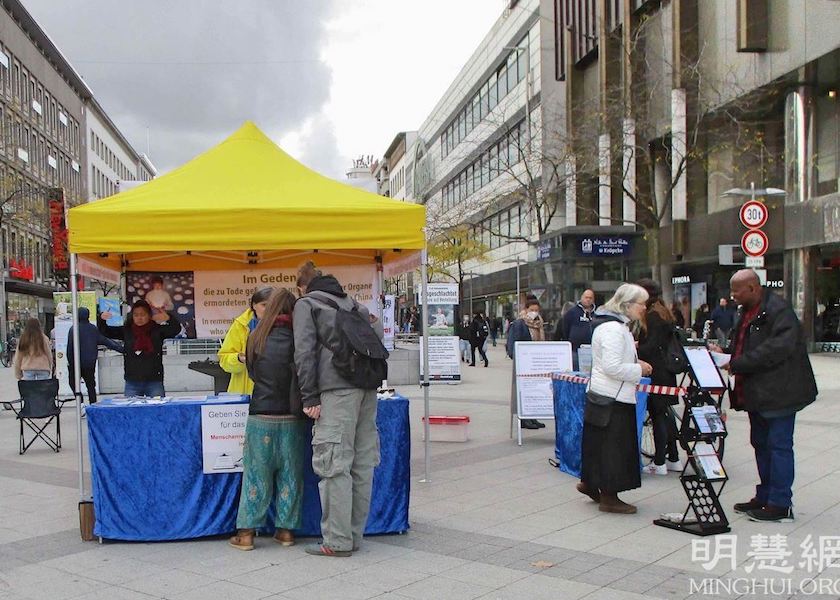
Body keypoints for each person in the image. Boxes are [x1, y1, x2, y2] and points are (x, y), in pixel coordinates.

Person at [709, 270, 817, 523]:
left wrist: (738, 362)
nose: (733, 296)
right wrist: (725, 352)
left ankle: (780, 503)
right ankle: (765, 495)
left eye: (737, 290)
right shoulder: (745, 310)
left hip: (780, 391)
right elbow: (744, 344)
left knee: (778, 446)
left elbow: (778, 348)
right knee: (761, 443)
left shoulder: (778, 310)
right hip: (756, 392)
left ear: (753, 287)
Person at [293, 261, 381, 557]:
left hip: (336, 390)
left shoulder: (307, 305)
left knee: (333, 464)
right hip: (367, 388)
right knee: (362, 464)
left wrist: (309, 397)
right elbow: (377, 332)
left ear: (301, 286)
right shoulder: (353, 304)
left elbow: (303, 353)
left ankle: (337, 541)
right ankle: (353, 536)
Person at [229, 289, 306, 551]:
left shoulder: (256, 336)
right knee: (291, 476)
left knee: (256, 476)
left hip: (261, 413)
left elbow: (252, 373)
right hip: (293, 416)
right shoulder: (301, 338)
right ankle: (286, 532)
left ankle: (247, 534)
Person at [577, 284, 652, 514]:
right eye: (642, 304)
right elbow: (612, 367)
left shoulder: (614, 326)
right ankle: (609, 496)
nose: (644, 309)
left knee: (598, 446)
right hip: (614, 397)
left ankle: (591, 483)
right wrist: (640, 369)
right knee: (614, 449)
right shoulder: (613, 329)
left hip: (606, 395)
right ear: (627, 305)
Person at [635, 279, 681, 476]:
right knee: (666, 415)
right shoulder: (664, 312)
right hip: (667, 372)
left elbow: (652, 346)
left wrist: (636, 347)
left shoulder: (653, 316)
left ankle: (660, 461)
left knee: (657, 416)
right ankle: (674, 458)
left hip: (656, 372)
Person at [99, 299, 181, 397]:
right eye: (136, 315)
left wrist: (168, 317)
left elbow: (175, 329)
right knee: (131, 411)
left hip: (154, 381)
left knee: (156, 410)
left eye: (143, 314)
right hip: (132, 382)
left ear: (149, 315)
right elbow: (106, 332)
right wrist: (102, 319)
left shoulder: (157, 330)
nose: (139, 318)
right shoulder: (127, 331)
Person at [218, 287, 274, 394]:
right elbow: (224, 360)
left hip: (274, 392)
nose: (269, 309)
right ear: (253, 305)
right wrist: (239, 359)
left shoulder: (286, 325)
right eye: (264, 305)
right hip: (244, 394)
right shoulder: (240, 325)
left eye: (272, 305)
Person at [67, 307, 124, 404]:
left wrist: (70, 361)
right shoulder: (93, 329)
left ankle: (80, 402)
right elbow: (106, 341)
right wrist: (123, 349)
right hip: (89, 363)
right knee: (90, 385)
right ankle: (93, 404)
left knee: (73, 384)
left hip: (76, 363)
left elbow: (70, 348)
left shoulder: (73, 329)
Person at [506, 296, 546, 429]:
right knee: (523, 390)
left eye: (536, 310)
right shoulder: (519, 323)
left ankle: (532, 416)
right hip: (523, 362)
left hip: (535, 362)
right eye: (532, 309)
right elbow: (513, 342)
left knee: (534, 390)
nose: (534, 312)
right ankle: (524, 418)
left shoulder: (539, 324)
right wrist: (516, 357)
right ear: (526, 309)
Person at [561, 289, 597, 369]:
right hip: (575, 351)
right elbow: (565, 329)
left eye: (590, 298)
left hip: (592, 351)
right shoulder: (572, 312)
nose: (588, 300)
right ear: (581, 298)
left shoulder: (597, 314)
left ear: (593, 300)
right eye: (586, 297)